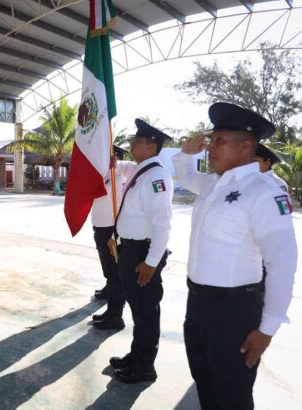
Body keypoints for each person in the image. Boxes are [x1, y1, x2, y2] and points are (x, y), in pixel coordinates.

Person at [173, 102, 298, 410]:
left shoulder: (263, 190)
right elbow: (186, 176)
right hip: (198, 304)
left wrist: (267, 329)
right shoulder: (215, 185)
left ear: (245, 147)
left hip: (234, 312)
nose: (210, 148)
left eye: (219, 141)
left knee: (232, 395)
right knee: (205, 381)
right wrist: (186, 153)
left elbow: (282, 262)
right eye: (211, 140)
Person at [106, 119, 173, 384]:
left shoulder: (156, 177)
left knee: (146, 312)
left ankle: (145, 367)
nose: (132, 144)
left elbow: (162, 224)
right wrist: (115, 236)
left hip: (144, 255)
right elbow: (128, 210)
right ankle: (135, 356)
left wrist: (151, 263)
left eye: (138, 141)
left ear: (152, 146)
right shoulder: (140, 172)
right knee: (138, 310)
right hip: (130, 249)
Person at [90, 145, 130, 330]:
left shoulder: (119, 179)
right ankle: (111, 310)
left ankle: (116, 315)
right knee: (109, 270)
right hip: (100, 228)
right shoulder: (104, 176)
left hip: (112, 231)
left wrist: (116, 234)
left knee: (116, 275)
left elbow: (123, 209)